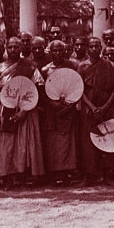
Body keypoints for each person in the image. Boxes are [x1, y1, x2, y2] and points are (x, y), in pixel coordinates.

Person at [0, 36, 45, 188]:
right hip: (4, 108)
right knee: (5, 144)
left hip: (27, 107)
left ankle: (22, 176)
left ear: (21, 49)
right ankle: (7, 177)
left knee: (24, 143)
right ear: (6, 48)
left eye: (16, 47)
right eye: (10, 47)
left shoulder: (30, 66)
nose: (13, 50)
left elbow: (36, 90)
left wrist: (24, 110)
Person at [76, 36, 114, 184]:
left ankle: (107, 175)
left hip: (106, 106)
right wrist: (92, 107)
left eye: (97, 46)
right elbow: (79, 89)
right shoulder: (82, 66)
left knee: (107, 138)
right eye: (92, 46)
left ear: (101, 48)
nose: (95, 49)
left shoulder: (111, 66)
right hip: (89, 107)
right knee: (87, 142)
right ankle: (88, 176)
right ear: (87, 48)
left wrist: (104, 107)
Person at [40, 39, 81, 184]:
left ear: (65, 51)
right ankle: (55, 173)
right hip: (52, 112)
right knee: (53, 141)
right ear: (50, 52)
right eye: (54, 51)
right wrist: (54, 105)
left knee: (68, 142)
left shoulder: (73, 66)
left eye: (60, 50)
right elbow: (42, 93)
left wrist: (69, 106)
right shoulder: (45, 70)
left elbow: (78, 87)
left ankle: (67, 172)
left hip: (69, 110)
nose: (57, 53)